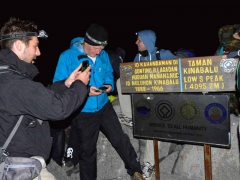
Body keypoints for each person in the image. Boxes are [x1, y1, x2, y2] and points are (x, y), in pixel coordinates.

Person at [0, 17, 90, 180]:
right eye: (35, 46)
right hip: (19, 168)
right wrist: (80, 85)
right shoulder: (17, 84)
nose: (38, 52)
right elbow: (59, 109)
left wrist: (67, 84)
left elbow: (37, 98)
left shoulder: (7, 76)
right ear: (19, 46)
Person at [52, 23, 146, 180]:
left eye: (102, 48)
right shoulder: (67, 57)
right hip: (83, 112)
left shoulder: (102, 55)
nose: (100, 51)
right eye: (97, 48)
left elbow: (109, 73)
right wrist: (85, 90)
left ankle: (136, 171)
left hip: (104, 107)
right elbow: (58, 86)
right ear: (87, 42)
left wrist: (109, 85)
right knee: (87, 153)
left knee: (120, 139)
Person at [117, 30, 178, 180]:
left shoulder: (162, 55)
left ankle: (149, 164)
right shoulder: (139, 57)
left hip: (163, 103)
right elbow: (133, 79)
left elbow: (182, 70)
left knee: (152, 128)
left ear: (148, 42)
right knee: (121, 80)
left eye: (139, 40)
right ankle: (128, 116)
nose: (136, 43)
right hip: (146, 100)